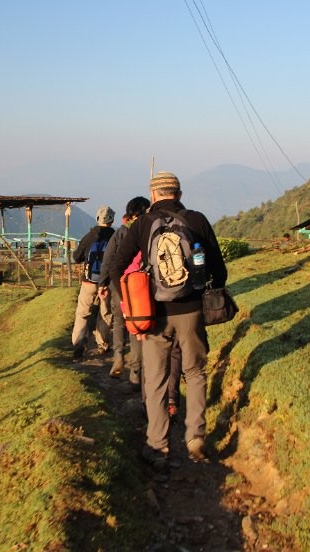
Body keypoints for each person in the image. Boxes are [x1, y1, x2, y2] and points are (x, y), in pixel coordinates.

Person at [107, 172, 227, 467]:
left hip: (154, 315)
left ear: (153, 194)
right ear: (180, 194)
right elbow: (220, 271)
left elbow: (116, 267)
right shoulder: (197, 220)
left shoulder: (143, 224)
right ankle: (195, 436)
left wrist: (129, 304)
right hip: (191, 311)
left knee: (157, 379)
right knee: (195, 373)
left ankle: (158, 446)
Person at [98, 196, 151, 385]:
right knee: (137, 324)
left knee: (119, 322)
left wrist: (102, 284)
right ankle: (136, 373)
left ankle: (118, 356)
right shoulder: (148, 231)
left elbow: (108, 260)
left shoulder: (120, 232)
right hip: (140, 286)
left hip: (118, 283)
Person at [70, 206, 115, 359]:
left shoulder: (89, 236)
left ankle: (78, 345)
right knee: (105, 313)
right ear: (112, 220)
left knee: (83, 313)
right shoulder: (115, 237)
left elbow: (76, 257)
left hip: (88, 282)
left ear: (97, 218)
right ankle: (102, 345)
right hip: (107, 283)